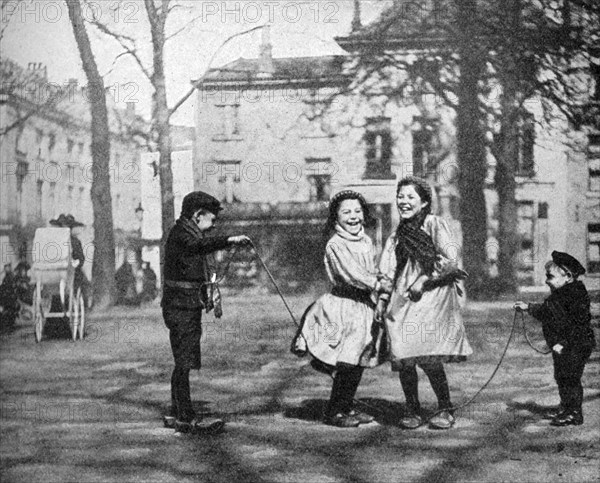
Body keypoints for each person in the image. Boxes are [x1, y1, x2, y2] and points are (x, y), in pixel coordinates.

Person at [378, 176, 471, 430]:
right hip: (403, 296)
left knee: (427, 352)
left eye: (410, 197)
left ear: (424, 202)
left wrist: (424, 279)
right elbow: (387, 268)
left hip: (432, 296)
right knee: (404, 351)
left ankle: (445, 407)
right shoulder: (397, 234)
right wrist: (384, 297)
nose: (404, 201)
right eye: (401, 196)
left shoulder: (434, 225)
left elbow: (450, 258)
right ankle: (412, 407)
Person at [295, 190, 387, 428]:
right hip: (344, 306)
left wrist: (380, 282)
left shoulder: (366, 240)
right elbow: (353, 275)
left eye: (357, 211)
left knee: (360, 358)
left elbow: (371, 268)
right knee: (347, 359)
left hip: (364, 306)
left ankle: (346, 406)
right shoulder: (335, 244)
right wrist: (377, 283)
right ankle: (334, 410)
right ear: (336, 216)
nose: (353, 216)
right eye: (346, 212)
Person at [162, 190, 251, 434]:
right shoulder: (182, 234)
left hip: (185, 304)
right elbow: (197, 246)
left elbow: (199, 248)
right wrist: (229, 240)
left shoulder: (185, 231)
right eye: (211, 220)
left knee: (184, 360)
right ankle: (185, 417)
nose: (212, 226)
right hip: (181, 306)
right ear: (198, 215)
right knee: (184, 361)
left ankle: (177, 411)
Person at [514, 251, 595, 426]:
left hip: (575, 345)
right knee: (561, 376)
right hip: (563, 346)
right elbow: (546, 311)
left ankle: (574, 413)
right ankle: (566, 406)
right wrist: (527, 307)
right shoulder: (560, 294)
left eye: (550, 277)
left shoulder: (575, 296)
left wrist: (563, 343)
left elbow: (579, 326)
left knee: (570, 378)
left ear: (567, 276)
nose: (546, 281)